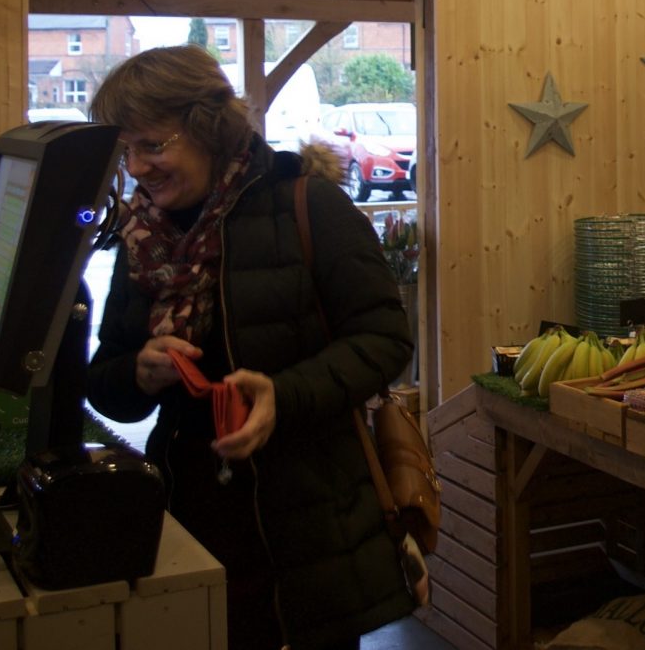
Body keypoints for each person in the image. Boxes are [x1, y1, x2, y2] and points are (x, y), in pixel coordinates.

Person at [86, 46, 414, 650]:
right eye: (127, 150)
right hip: (187, 524)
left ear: (210, 129)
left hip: (311, 531)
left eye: (153, 146)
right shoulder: (143, 237)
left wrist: (280, 395)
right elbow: (106, 386)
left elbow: (386, 339)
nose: (137, 167)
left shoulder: (307, 206)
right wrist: (139, 371)